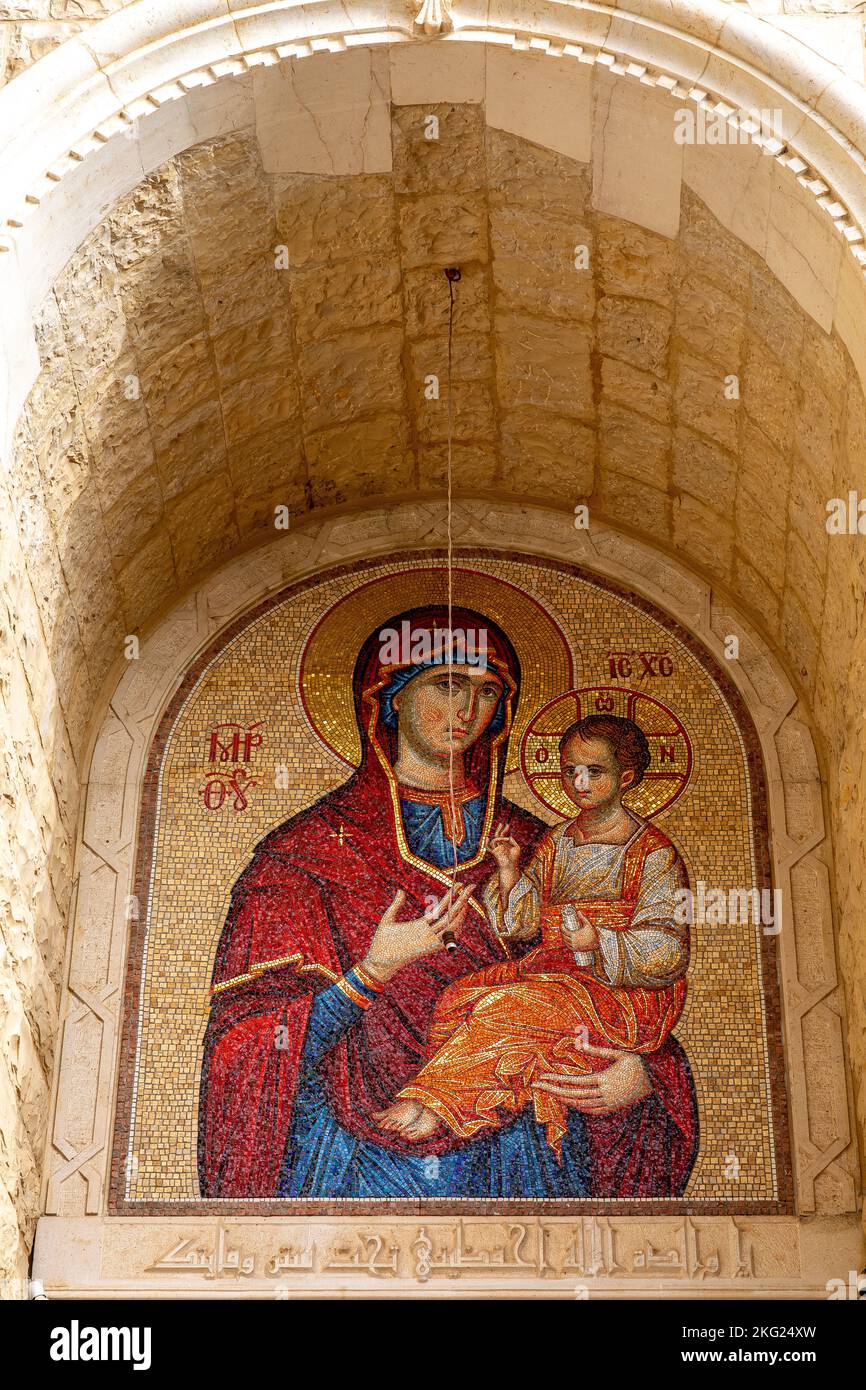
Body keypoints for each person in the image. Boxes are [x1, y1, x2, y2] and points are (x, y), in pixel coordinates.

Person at [197, 609, 698, 1199]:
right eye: (447, 685)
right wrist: (371, 973)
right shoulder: (302, 856)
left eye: (486, 692)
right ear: (388, 698)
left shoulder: (547, 845)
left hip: (519, 1150)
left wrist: (643, 1076)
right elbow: (245, 1044)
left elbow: (615, 989)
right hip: (352, 1158)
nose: (467, 710)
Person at [376, 715, 690, 1156]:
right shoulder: (558, 841)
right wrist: (508, 872)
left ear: (627, 778)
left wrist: (598, 941)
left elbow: (670, 948)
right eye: (569, 771)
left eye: (593, 771)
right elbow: (520, 924)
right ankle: (474, 1095)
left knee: (512, 1007)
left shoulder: (651, 853)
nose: (578, 782)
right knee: (460, 997)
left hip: (621, 992)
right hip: (555, 972)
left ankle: (438, 1102)